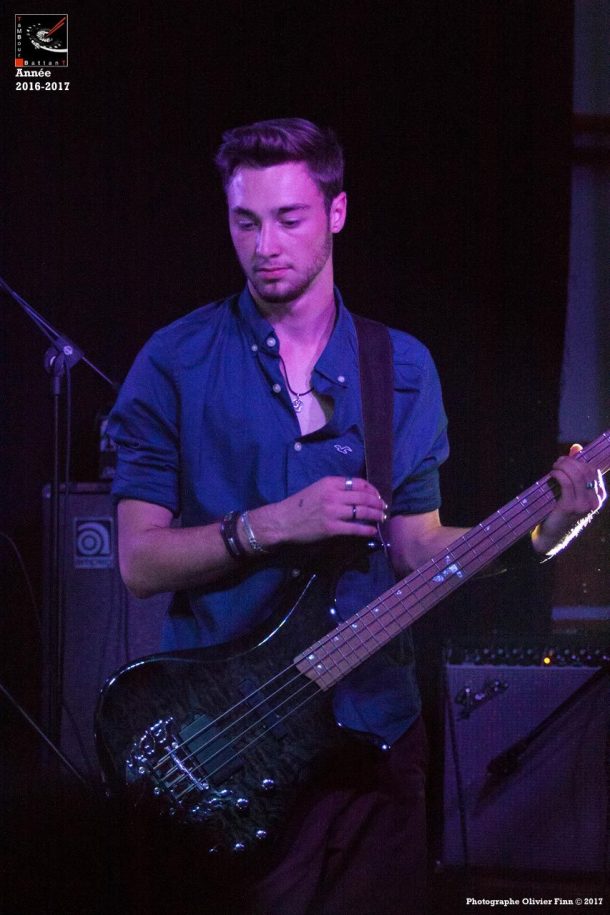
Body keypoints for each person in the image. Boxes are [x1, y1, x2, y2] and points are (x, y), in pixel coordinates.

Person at [108, 118, 606, 914]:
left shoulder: (400, 366)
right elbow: (139, 562)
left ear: (336, 212)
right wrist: (273, 523)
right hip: (234, 740)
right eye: (245, 221)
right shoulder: (175, 360)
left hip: (377, 735)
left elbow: (416, 546)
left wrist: (540, 537)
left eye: (289, 218)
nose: (265, 245)